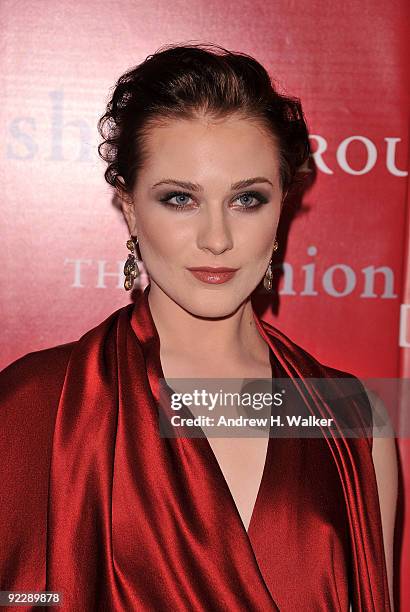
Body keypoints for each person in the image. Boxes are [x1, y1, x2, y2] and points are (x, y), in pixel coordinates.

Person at [0, 42, 397, 611]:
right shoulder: (34, 407)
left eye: (247, 199)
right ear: (131, 207)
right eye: (180, 198)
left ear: (282, 205)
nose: (217, 239)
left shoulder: (352, 420)